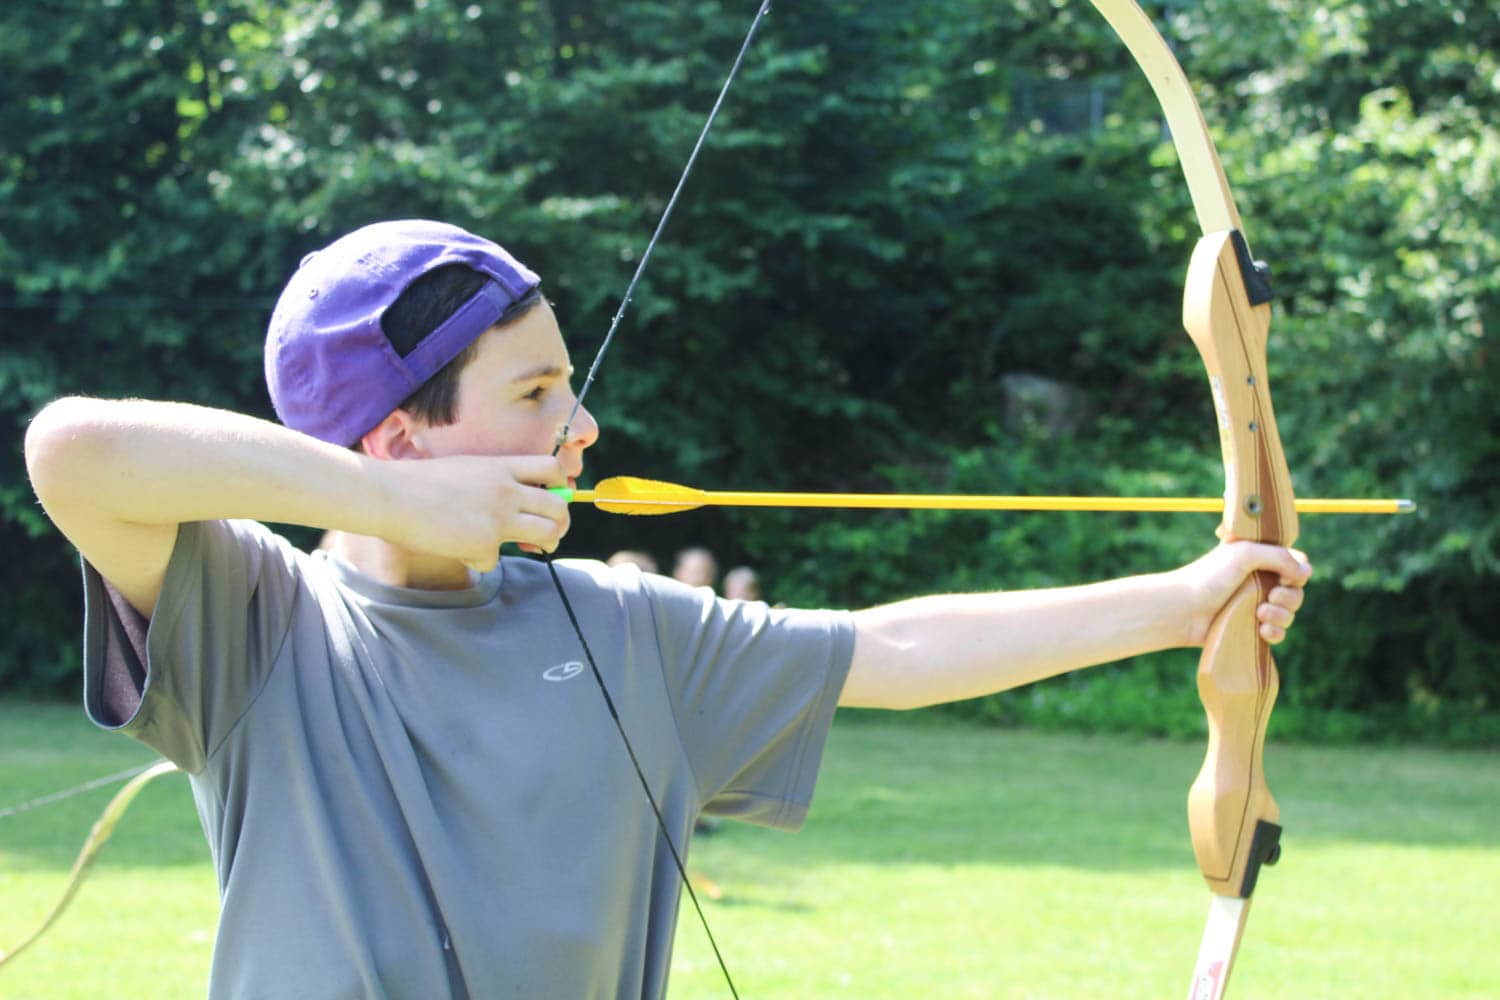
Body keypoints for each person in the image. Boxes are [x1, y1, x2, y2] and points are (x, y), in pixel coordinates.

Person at [23, 219, 1310, 999]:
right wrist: (393, 506)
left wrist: (1187, 601)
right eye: (535, 394)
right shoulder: (259, 623)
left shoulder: (621, 629)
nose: (580, 423)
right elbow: (72, 449)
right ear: (399, 437)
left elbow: (895, 650)